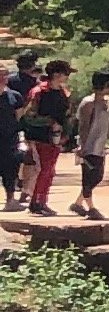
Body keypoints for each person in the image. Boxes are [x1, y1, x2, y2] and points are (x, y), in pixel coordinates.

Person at [18, 59, 71, 216]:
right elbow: (28, 116)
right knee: (43, 169)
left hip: (55, 138)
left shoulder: (63, 93)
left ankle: (42, 201)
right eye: (65, 73)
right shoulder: (39, 92)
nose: (67, 77)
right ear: (56, 74)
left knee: (50, 171)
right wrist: (49, 122)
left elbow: (67, 116)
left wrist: (66, 134)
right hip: (38, 137)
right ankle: (36, 202)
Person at [70, 71, 109, 215]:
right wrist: (82, 146)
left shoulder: (108, 102)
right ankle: (91, 208)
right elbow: (83, 126)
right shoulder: (88, 103)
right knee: (89, 176)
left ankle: (77, 204)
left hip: (100, 145)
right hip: (89, 146)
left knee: (98, 176)